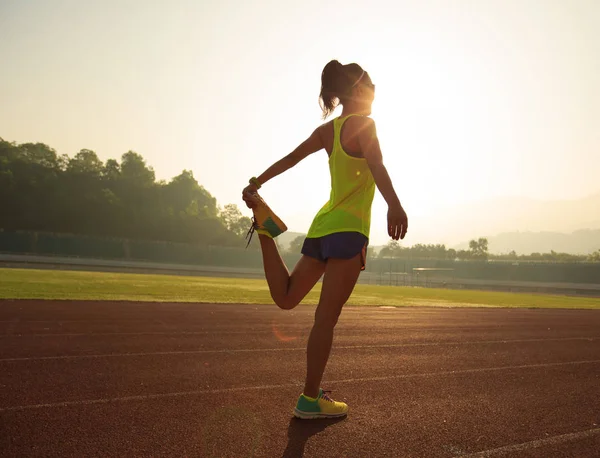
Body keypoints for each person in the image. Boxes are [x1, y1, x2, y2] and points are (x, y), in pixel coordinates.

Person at [242, 60, 408, 419]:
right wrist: (395, 205)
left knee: (286, 298)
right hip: (349, 232)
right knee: (325, 317)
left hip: (322, 227)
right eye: (372, 83)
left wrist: (257, 184)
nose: (376, 88)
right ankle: (309, 398)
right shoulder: (366, 125)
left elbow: (291, 158)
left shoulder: (329, 130)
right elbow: (376, 165)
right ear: (359, 90)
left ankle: (266, 231)